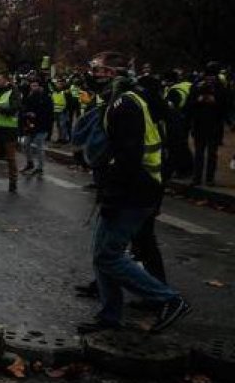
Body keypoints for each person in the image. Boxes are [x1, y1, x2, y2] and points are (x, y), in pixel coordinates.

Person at [77, 57, 191, 335]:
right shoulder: (118, 101)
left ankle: (167, 298)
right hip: (132, 187)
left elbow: (128, 155)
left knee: (108, 255)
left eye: (101, 70)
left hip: (134, 190)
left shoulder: (125, 104)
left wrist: (113, 195)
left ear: (117, 73)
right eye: (93, 70)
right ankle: (109, 315)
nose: (95, 75)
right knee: (101, 253)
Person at [185, 63, 229, 186]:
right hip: (200, 124)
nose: (210, 79)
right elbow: (189, 104)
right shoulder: (197, 86)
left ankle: (209, 178)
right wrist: (198, 100)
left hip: (214, 125)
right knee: (200, 153)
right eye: (208, 76)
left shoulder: (220, 87)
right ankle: (197, 177)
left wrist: (215, 101)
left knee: (211, 153)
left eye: (212, 76)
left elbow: (226, 106)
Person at [21, 77, 54, 176]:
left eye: (36, 86)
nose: (34, 88)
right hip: (30, 125)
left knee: (39, 147)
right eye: (32, 86)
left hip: (42, 126)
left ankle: (40, 168)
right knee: (26, 144)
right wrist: (27, 115)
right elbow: (24, 109)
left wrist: (37, 115)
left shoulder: (46, 98)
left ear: (40, 87)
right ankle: (29, 163)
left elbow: (49, 113)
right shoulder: (29, 97)